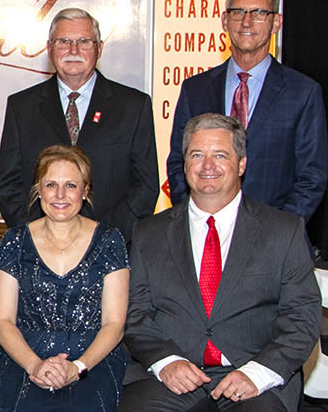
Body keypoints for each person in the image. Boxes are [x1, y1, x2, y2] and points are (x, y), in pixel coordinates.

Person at [120, 113, 320, 411]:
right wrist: (167, 362)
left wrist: (256, 373)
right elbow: (134, 313)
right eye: (197, 154)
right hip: (171, 378)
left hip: (253, 378)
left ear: (241, 164)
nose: (207, 166)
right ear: (184, 164)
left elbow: (302, 319)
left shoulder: (283, 230)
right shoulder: (149, 231)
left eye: (220, 155)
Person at [167, 0, 327, 225]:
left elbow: (312, 177)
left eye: (259, 12)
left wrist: (277, 234)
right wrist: (198, 221)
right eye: (238, 11)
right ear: (224, 20)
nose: (247, 21)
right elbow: (178, 164)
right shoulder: (195, 89)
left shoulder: (303, 93)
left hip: (274, 244)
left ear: (276, 22)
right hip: (203, 235)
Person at [0, 7, 158, 242]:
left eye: (84, 42)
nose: (73, 50)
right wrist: (38, 237)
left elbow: (145, 186)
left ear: (99, 48)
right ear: (50, 49)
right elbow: (8, 185)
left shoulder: (133, 106)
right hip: (38, 252)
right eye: (64, 41)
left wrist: (105, 238)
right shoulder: (21, 106)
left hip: (112, 250)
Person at [0, 145, 129, 411]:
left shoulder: (110, 240)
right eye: (51, 184)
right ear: (38, 190)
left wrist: (77, 367)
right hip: (23, 361)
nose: (60, 195)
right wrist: (35, 365)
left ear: (85, 191)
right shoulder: (15, 241)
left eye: (71, 185)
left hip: (93, 361)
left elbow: (114, 324)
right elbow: (3, 321)